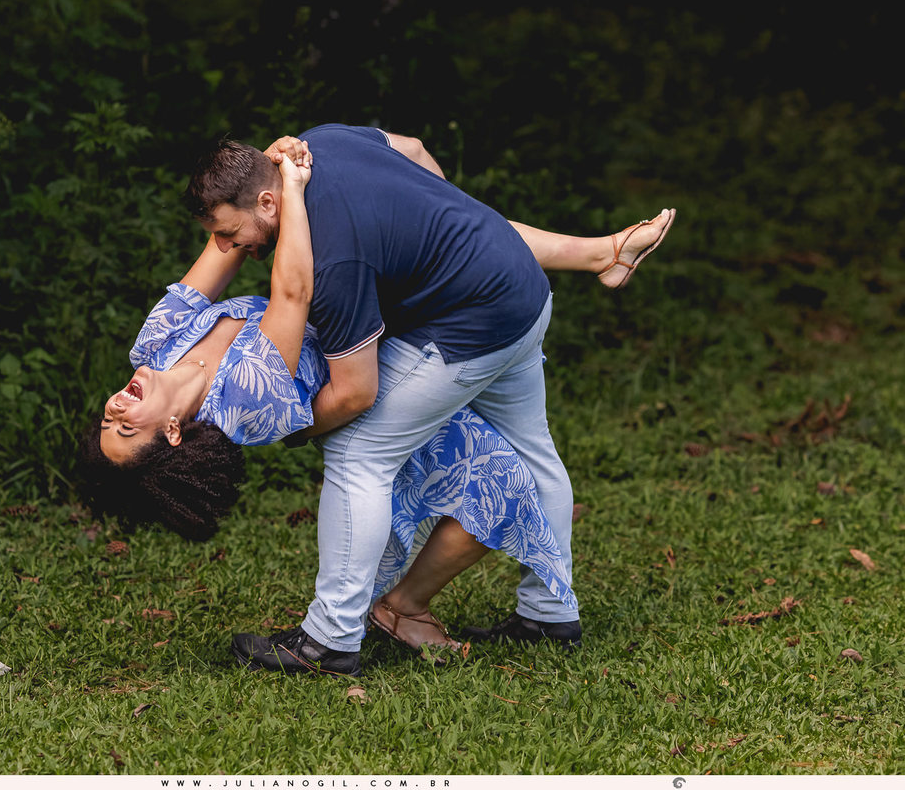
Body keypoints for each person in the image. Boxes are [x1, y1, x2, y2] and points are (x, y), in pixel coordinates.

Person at [81, 132, 675, 671]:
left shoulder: (155, 344)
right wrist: (279, 173)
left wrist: (263, 169)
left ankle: (331, 640)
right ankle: (547, 614)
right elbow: (297, 284)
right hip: (514, 295)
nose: (113, 410)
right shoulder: (242, 402)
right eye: (126, 430)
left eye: (109, 422)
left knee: (361, 459)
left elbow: (229, 244)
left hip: (478, 316)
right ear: (174, 435)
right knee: (521, 453)